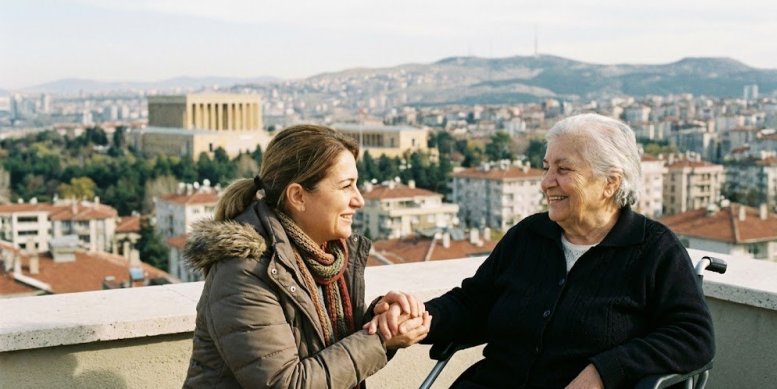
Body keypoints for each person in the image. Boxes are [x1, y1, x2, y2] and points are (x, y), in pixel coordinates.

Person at [367, 113, 715, 388]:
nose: (546, 182)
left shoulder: (653, 249)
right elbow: (474, 304)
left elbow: (692, 337)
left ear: (610, 182)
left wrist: (605, 370)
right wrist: (417, 318)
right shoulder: (529, 236)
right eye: (547, 167)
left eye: (563, 170)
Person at [183, 124, 431, 388]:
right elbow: (287, 383)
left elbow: (323, 349)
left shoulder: (330, 257)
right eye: (346, 186)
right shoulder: (244, 271)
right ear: (298, 196)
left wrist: (379, 319)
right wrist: (379, 338)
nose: (359, 200)